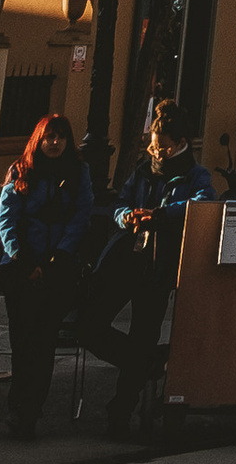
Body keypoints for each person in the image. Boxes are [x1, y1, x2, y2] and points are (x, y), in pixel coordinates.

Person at [86, 97, 218, 428]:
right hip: (126, 258)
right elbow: (121, 202)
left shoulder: (196, 176)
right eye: (154, 148)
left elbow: (203, 206)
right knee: (91, 325)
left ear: (180, 145)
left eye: (163, 148)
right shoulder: (144, 172)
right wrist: (125, 216)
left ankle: (122, 408)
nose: (156, 154)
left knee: (144, 330)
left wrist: (159, 216)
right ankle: (147, 363)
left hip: (160, 265)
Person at [0, 111, 98, 438]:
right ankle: (17, 408)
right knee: (23, 341)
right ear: (39, 139)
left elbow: (82, 216)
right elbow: (6, 219)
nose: (54, 143)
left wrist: (60, 258)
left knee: (43, 341)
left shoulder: (79, 174)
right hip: (22, 266)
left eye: (60, 137)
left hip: (58, 268)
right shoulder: (20, 171)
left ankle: (30, 411)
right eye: (49, 137)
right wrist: (23, 258)